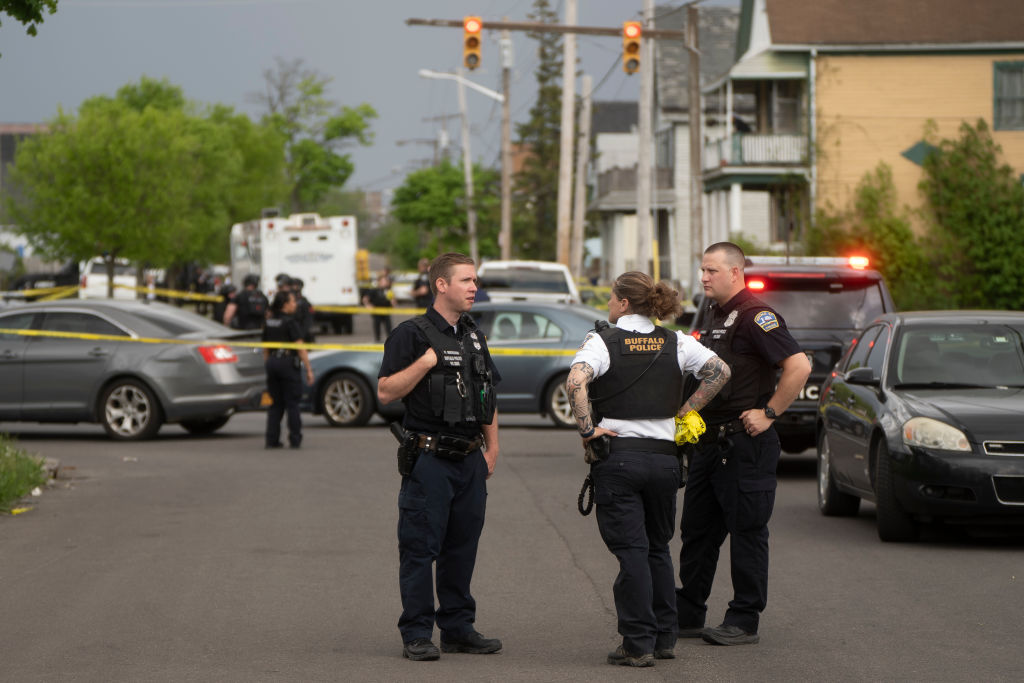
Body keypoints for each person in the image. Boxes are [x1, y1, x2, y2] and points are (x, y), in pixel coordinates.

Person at [566, 271, 731, 667]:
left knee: (633, 553)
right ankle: (664, 637)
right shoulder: (675, 341)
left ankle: (637, 643)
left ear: (624, 303)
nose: (607, 304)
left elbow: (575, 382)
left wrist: (588, 431)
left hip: (620, 459)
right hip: (664, 459)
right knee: (658, 548)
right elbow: (721, 372)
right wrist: (685, 411)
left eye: (611, 298)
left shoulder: (602, 341)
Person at [676, 242, 811, 646]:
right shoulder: (717, 315)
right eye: (702, 270)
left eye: (711, 270)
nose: (703, 278)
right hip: (710, 444)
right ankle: (688, 614)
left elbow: (799, 365)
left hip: (743, 445)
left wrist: (769, 413)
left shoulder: (757, 316)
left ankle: (744, 618)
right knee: (697, 531)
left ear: (735, 273)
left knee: (747, 531)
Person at [377, 252, 503, 662]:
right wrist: (426, 361)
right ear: (441, 285)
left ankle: (458, 628)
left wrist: (493, 445)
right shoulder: (411, 334)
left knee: (462, 547)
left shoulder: (473, 333)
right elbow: (386, 391)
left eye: (475, 280)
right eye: (466, 280)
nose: (474, 288)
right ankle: (416, 632)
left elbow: (487, 393)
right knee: (420, 547)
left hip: (469, 457)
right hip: (429, 459)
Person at [262, 290, 314, 449]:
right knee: (292, 403)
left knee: (275, 404)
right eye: (292, 301)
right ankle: (295, 439)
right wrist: (309, 369)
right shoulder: (290, 322)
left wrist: (268, 364)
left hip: (272, 362)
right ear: (285, 305)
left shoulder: (269, 322)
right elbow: (300, 347)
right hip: (287, 363)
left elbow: (265, 347)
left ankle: (272, 440)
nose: (295, 304)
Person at [363, 272, 393, 342]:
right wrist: (368, 305)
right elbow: (365, 299)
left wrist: (392, 299)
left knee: (389, 329)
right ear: (379, 282)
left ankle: (390, 343)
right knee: (377, 328)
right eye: (383, 281)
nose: (385, 283)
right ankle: (377, 341)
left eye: (386, 281)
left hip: (386, 312)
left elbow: (393, 303)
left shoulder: (388, 291)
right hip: (376, 312)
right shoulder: (374, 290)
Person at [291, 277, 315, 343]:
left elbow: (308, 318)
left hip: (301, 331)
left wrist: (302, 333)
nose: (293, 287)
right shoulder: (288, 300)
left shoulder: (304, 301)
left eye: (295, 286)